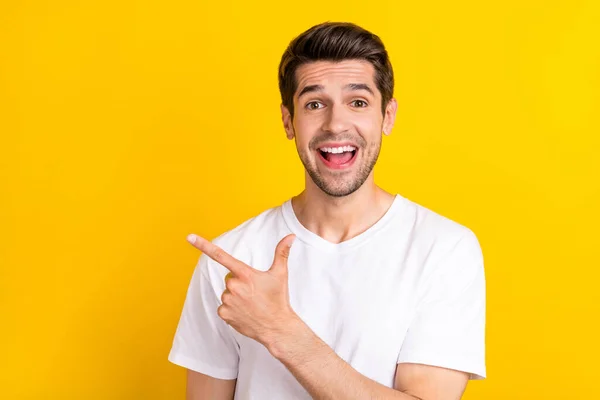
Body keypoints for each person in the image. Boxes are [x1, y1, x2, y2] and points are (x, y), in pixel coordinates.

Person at [168, 21, 486, 400]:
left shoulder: (444, 249)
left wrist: (279, 330)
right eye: (314, 104)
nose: (336, 124)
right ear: (289, 121)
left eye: (358, 102)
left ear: (387, 116)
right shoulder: (231, 259)